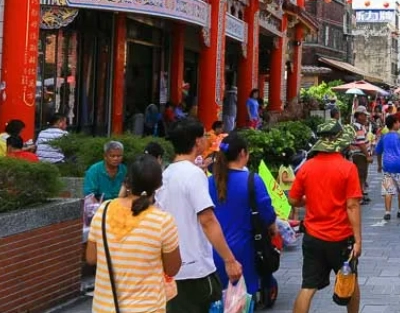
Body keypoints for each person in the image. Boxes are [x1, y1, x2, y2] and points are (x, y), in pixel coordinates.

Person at [157, 119, 242, 313]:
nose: (206, 139)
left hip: (170, 268)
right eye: (204, 135)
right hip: (195, 269)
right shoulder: (194, 174)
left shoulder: (165, 174)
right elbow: (207, 220)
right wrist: (229, 259)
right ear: (197, 142)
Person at [86, 154, 182, 312]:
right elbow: (172, 269)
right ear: (158, 185)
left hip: (104, 308)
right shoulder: (162, 221)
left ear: (127, 181)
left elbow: (91, 257)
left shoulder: (104, 210)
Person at [288, 120, 362, 313]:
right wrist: (358, 240)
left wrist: (309, 200)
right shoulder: (347, 168)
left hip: (313, 237)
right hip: (341, 239)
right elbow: (352, 205)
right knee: (349, 282)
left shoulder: (306, 167)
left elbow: (293, 200)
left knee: (308, 287)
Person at [208, 133, 277, 296]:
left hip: (214, 251)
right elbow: (267, 215)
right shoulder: (252, 180)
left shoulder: (209, 182)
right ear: (242, 153)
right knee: (242, 301)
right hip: (245, 252)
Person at [375, 115, 400, 220]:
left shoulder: (384, 137)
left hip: (387, 166)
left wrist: (379, 165)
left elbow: (378, 152)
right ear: (395, 123)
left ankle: (387, 212)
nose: (399, 124)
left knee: (388, 190)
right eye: (398, 122)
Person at [349, 106, 372, 205]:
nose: (366, 117)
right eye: (364, 115)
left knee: (362, 175)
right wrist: (367, 155)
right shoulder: (357, 126)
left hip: (361, 154)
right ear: (359, 116)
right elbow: (361, 143)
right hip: (360, 154)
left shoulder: (359, 126)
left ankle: (362, 193)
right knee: (360, 175)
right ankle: (359, 196)